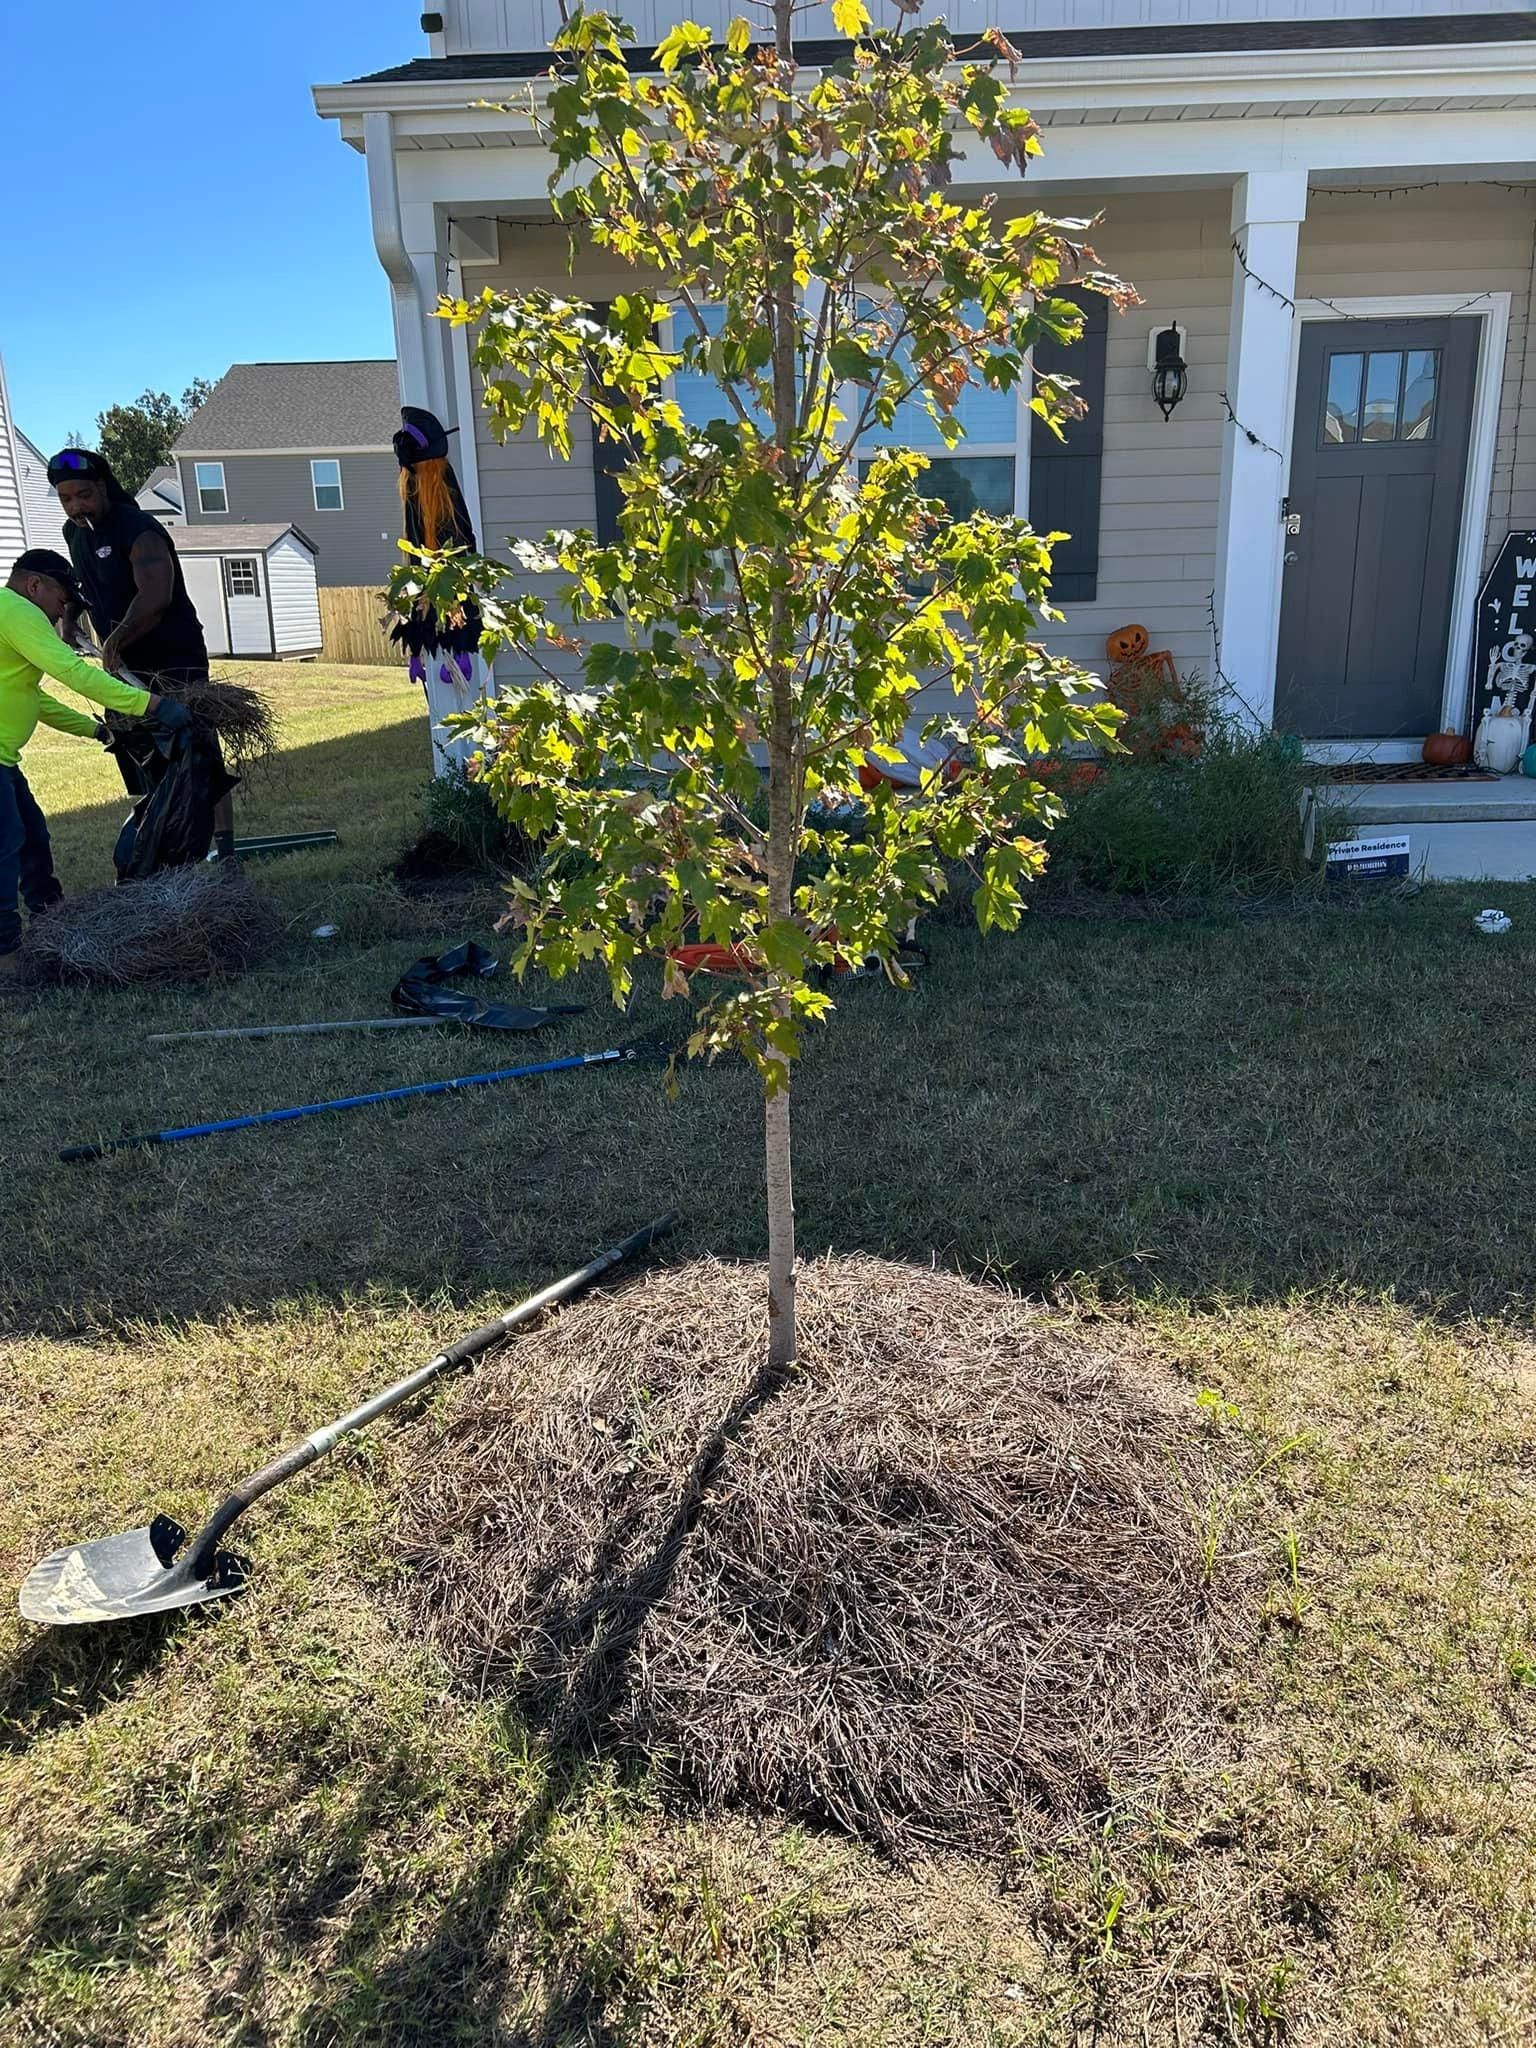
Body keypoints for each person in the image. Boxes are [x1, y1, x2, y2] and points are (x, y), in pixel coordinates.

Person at [0, 549, 189, 974]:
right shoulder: (17, 612)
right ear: (36, 586)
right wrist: (152, 705)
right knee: (5, 844)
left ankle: (50, 919)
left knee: (31, 835)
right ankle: (6, 955)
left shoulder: (8, 613)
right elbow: (75, 673)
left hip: (4, 761)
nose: (61, 613)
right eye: (62, 601)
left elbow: (32, 696)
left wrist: (97, 731)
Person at [47, 447, 235, 861]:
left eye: (83, 494)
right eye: (66, 498)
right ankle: (160, 843)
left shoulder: (139, 528)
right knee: (138, 750)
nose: (76, 506)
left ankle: (225, 852)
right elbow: (83, 582)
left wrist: (115, 639)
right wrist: (71, 615)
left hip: (174, 658)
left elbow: (156, 596)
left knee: (199, 752)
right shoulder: (74, 533)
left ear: (102, 486)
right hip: (123, 667)